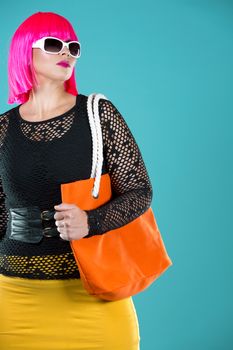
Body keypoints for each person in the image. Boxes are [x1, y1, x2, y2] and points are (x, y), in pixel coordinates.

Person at [0, 11, 153, 350]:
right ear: (26, 51)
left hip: (93, 293)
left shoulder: (98, 114)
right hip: (14, 297)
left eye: (73, 47)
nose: (66, 53)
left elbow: (141, 191)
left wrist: (91, 221)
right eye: (54, 44)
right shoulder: (2, 129)